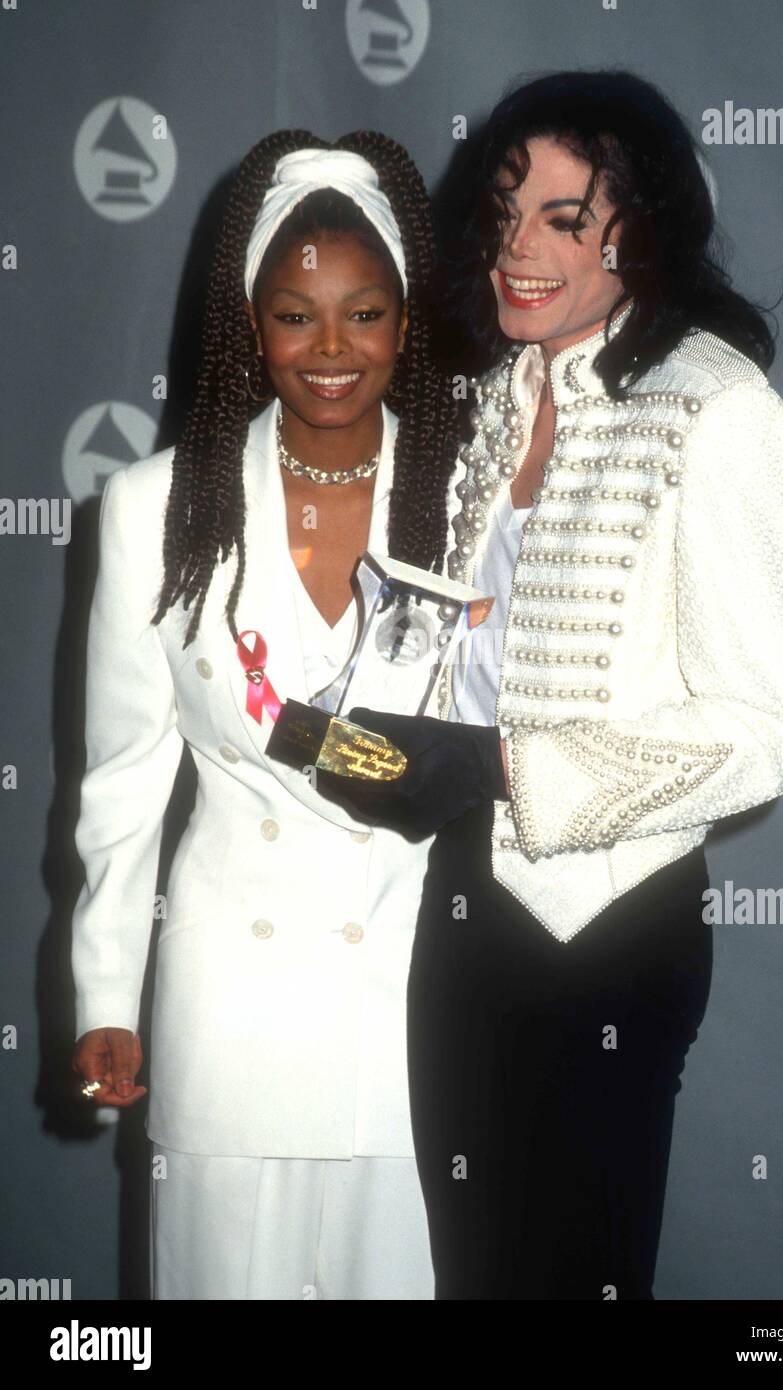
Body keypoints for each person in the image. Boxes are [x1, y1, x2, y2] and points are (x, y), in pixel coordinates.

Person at [315, 70, 783, 1300]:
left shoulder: (721, 412)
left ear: (646, 230)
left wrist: (514, 767)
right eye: (509, 211)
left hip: (610, 926)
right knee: (472, 1273)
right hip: (459, 906)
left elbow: (768, 731)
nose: (521, 249)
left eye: (569, 220)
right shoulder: (479, 400)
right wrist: (356, 744)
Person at [69, 129, 462, 1299]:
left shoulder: (468, 491)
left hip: (408, 999)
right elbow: (124, 778)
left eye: (366, 314)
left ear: (406, 323)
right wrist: (104, 994)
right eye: (296, 316)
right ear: (251, 323)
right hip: (231, 1012)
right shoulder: (153, 509)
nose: (331, 349)